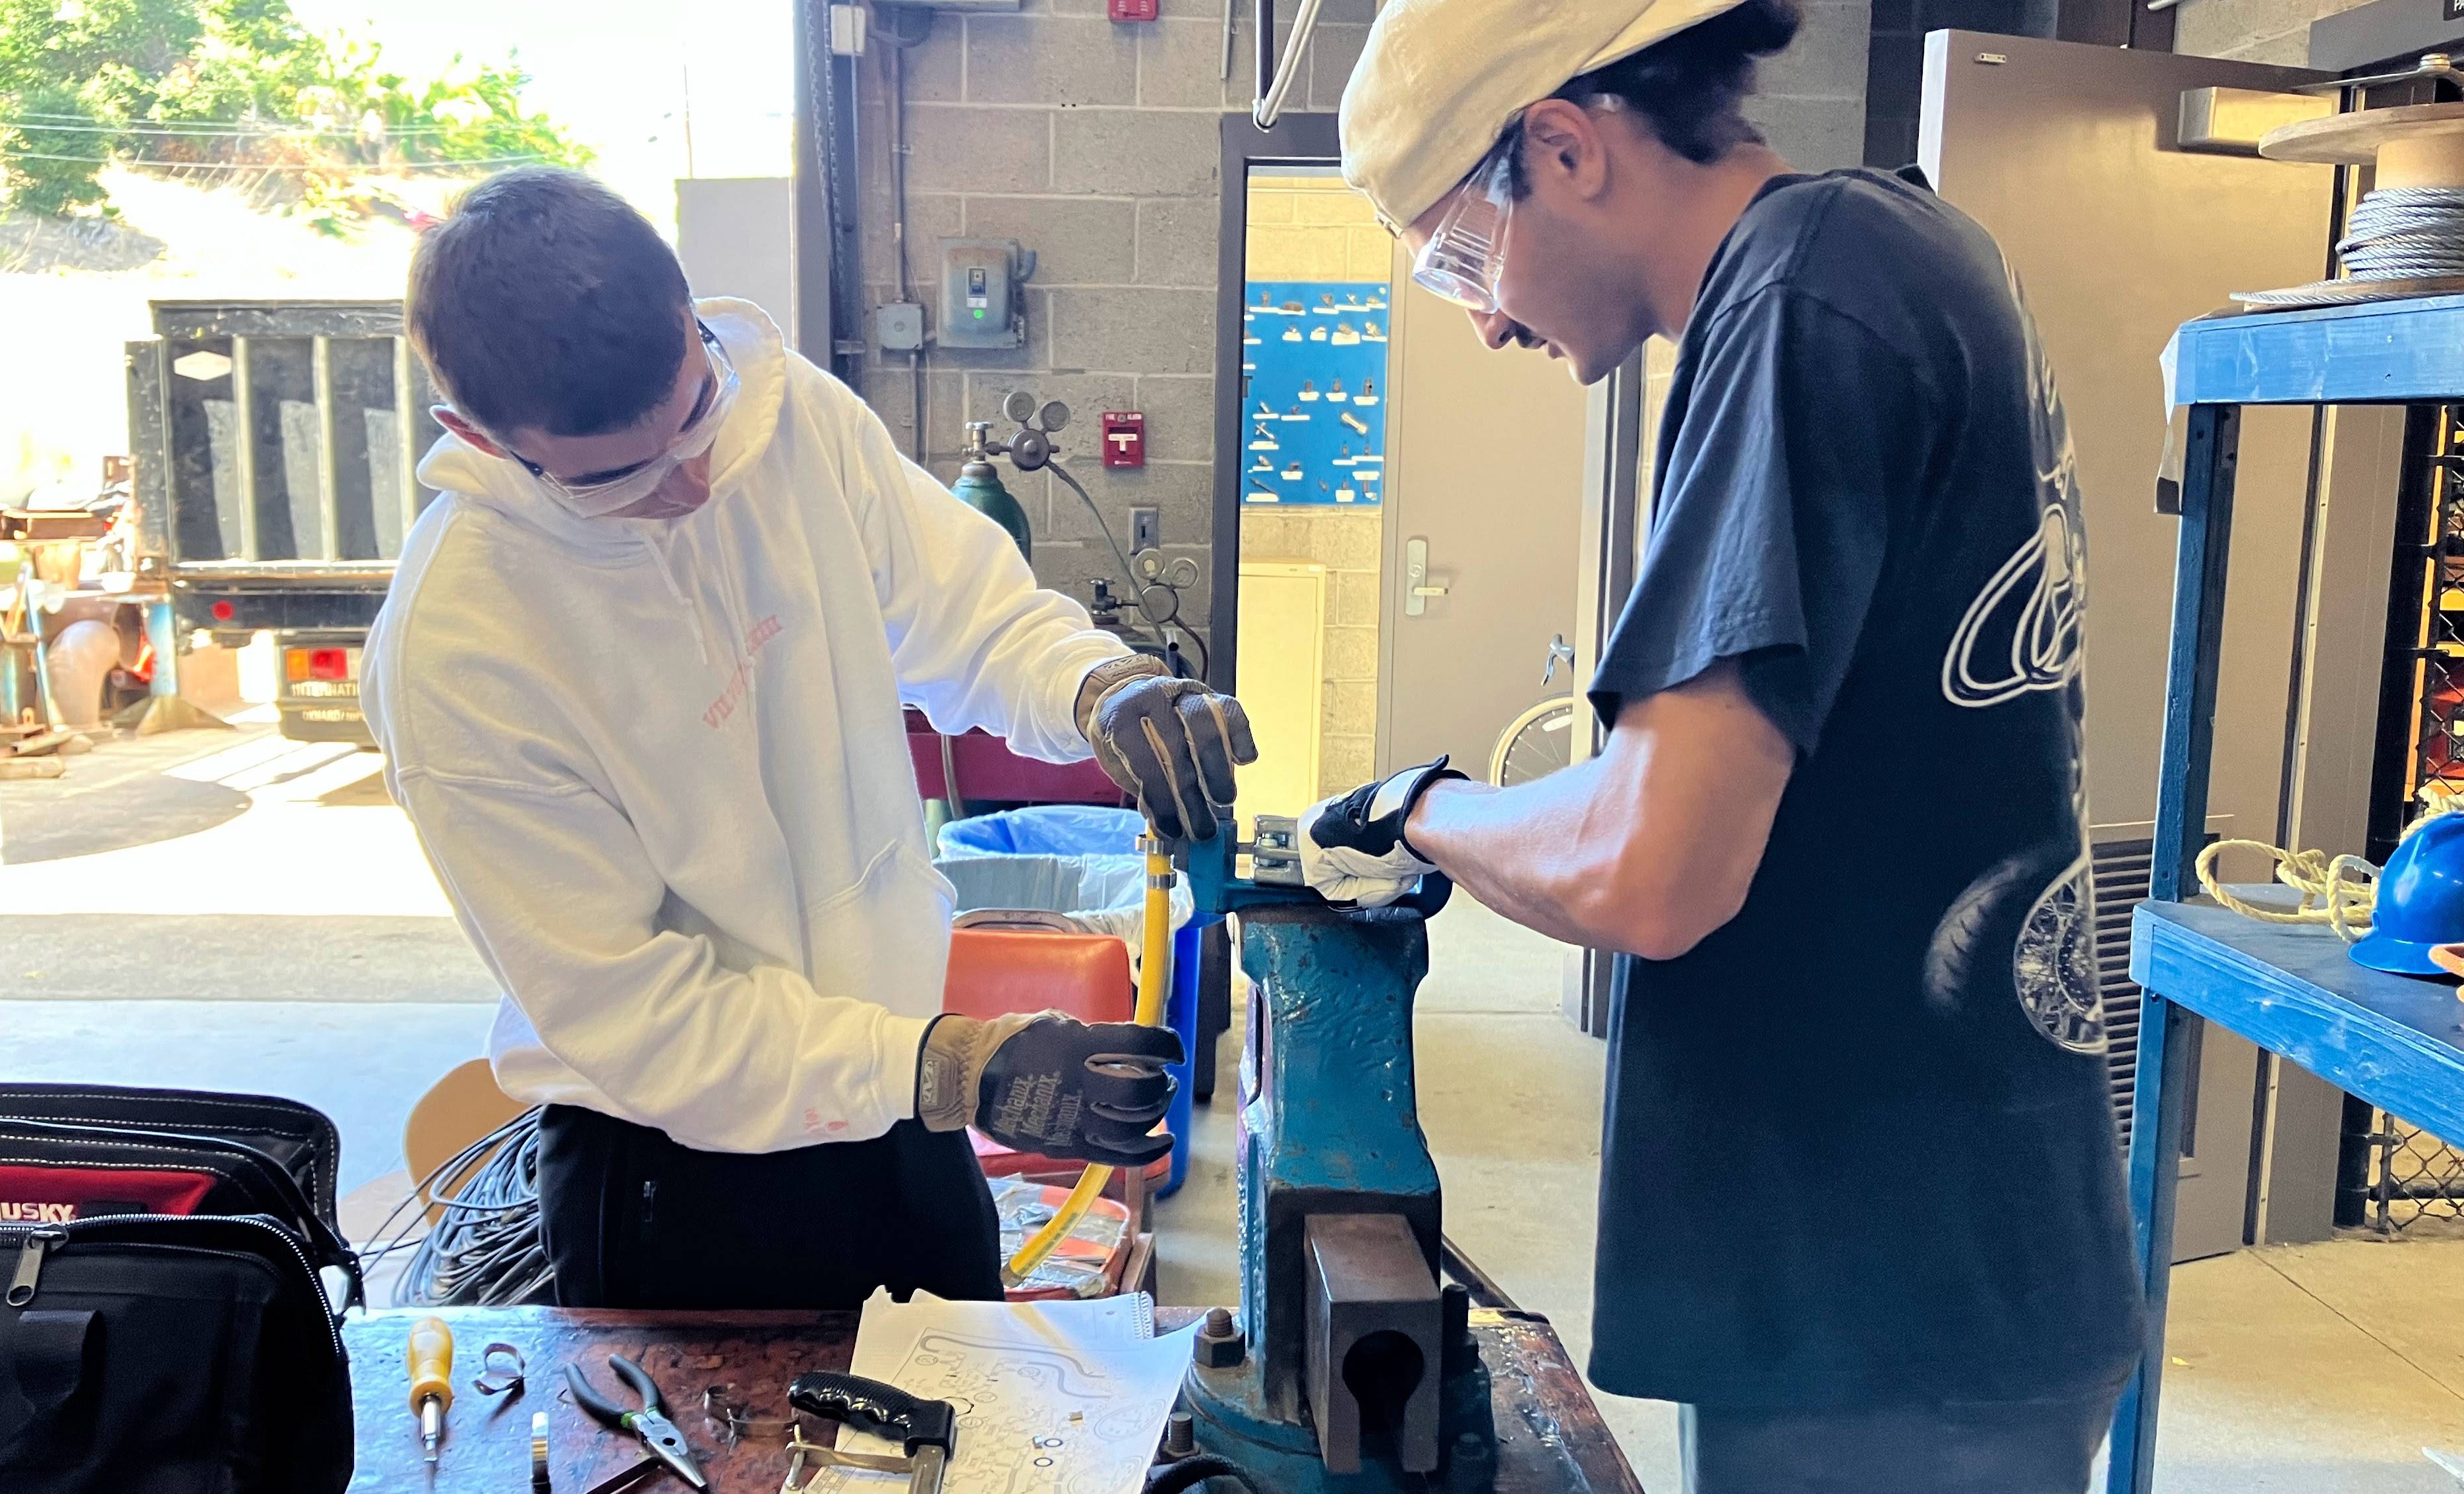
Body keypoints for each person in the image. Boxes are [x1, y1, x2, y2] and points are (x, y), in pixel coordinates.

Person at [1301, 1, 2140, 1489]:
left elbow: (1648, 867)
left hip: (1887, 1305)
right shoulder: (1901, 253)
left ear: (1564, 149)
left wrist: (1422, 810)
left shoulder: (1801, 302)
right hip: (1930, 1269)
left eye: (1458, 254)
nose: (1483, 317)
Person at [361, 167, 1255, 1310]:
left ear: (692, 322)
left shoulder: (784, 421)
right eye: (618, 478)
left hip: (903, 1114)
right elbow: (642, 1017)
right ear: (473, 436)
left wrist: (1098, 687)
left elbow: (969, 615)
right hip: (677, 1178)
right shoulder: (462, 648)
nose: (689, 483)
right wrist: (952, 1066)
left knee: (976, 1453)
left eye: (691, 416)